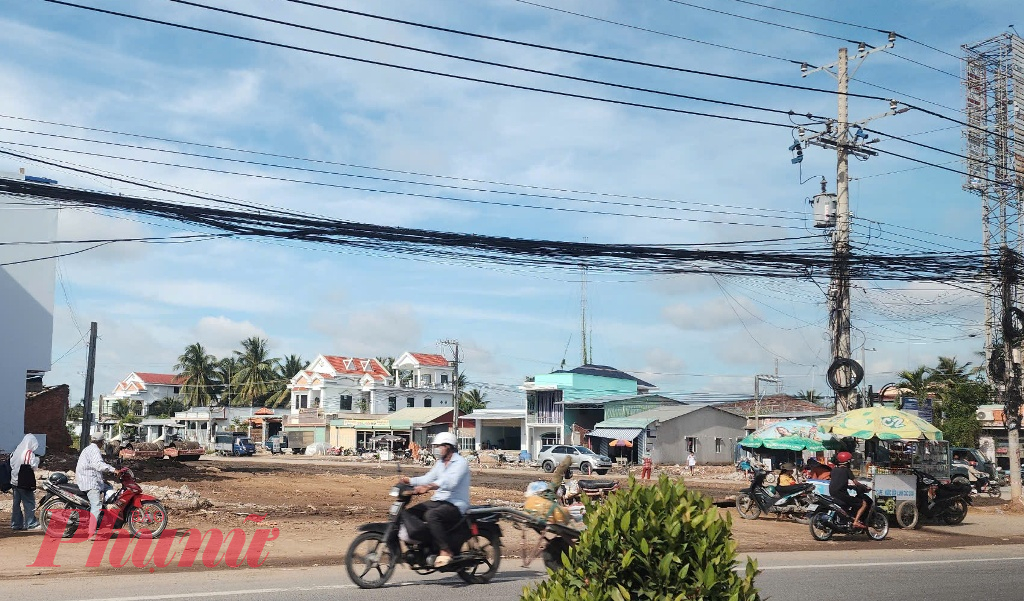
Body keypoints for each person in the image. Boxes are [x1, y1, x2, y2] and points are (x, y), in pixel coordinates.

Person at [400, 431, 470, 567]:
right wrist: (409, 481)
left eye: (439, 446)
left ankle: (445, 550)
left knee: (431, 515)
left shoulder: (460, 462)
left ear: (448, 446)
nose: (437, 449)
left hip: (455, 504)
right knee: (410, 513)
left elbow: (450, 482)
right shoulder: (440, 463)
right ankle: (425, 545)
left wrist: (428, 487)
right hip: (439, 501)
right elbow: (428, 477)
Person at [76, 432, 117, 540]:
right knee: (97, 505)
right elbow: (98, 465)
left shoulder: (88, 448)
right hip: (90, 482)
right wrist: (114, 470)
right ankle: (91, 533)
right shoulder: (95, 450)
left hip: (91, 479)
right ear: (101, 442)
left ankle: (105, 526)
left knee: (109, 488)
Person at [829, 451, 870, 529]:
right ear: (847, 461)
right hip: (842, 494)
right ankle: (856, 522)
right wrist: (864, 487)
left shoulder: (833, 470)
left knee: (848, 504)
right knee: (863, 503)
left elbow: (838, 481)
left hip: (833, 493)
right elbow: (855, 482)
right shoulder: (847, 470)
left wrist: (848, 487)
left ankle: (848, 519)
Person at [10, 434, 41, 531]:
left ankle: (16, 524)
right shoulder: (28, 453)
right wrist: (37, 460)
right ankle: (31, 523)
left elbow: (11, 463)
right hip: (24, 481)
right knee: (29, 502)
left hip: (14, 480)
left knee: (16, 503)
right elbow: (33, 466)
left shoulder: (16, 451)